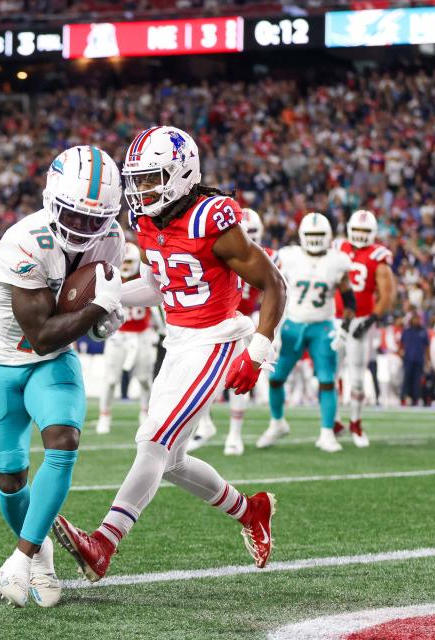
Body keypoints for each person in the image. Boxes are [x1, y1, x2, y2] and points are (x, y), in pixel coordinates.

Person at [51, 125, 286, 583]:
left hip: (218, 338)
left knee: (153, 442)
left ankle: (104, 543)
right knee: (172, 461)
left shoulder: (210, 218)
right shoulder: (147, 221)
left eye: (152, 179)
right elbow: (162, 286)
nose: (142, 191)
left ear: (182, 174)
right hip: (178, 342)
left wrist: (258, 351)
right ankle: (251, 511)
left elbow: (273, 283)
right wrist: (111, 298)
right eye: (136, 180)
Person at [0, 145, 125, 608]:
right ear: (51, 200)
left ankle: (23, 555)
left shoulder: (111, 238)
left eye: (94, 221)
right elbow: (39, 333)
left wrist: (100, 321)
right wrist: (99, 306)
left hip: (54, 361)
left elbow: (69, 330)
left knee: (63, 439)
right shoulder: (23, 239)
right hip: (0, 360)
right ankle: (41, 557)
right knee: (10, 480)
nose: (83, 229)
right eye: (73, 216)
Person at [256, 213, 356, 453]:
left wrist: (344, 329)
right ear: (301, 236)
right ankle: (277, 422)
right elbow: (272, 289)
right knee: (276, 378)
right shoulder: (289, 257)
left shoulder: (337, 260)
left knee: (327, 381)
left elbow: (349, 300)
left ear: (328, 237)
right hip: (293, 325)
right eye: (310, 235)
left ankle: (327, 433)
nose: (314, 240)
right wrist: (274, 331)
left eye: (319, 235)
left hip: (323, 326)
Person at [188, 207, 275, 455]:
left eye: (254, 232)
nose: (249, 237)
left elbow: (276, 294)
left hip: (248, 323)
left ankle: (234, 435)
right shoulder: (221, 251)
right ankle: (205, 425)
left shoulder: (268, 256)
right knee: (201, 377)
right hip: (219, 321)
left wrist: (268, 332)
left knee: (239, 378)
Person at [333, 209, 397, 446]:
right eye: (357, 230)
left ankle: (356, 423)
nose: (359, 234)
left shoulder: (378, 256)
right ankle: (334, 421)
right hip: (335, 318)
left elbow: (387, 294)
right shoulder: (337, 247)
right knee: (330, 373)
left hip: (360, 319)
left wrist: (371, 319)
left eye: (364, 231)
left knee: (357, 378)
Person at [96, 242, 158, 435]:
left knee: (145, 380)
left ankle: (145, 413)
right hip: (118, 336)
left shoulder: (144, 278)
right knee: (110, 380)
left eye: (130, 261)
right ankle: (104, 415)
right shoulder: (110, 279)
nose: (125, 265)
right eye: (123, 261)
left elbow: (157, 304)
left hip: (142, 335)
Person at [399, 314, 429, 406]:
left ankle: (415, 398)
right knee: (406, 379)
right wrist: (401, 354)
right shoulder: (407, 331)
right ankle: (404, 397)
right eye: (414, 319)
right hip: (408, 359)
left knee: (417, 380)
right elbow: (401, 344)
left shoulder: (423, 331)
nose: (416, 321)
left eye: (418, 319)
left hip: (419, 359)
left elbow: (427, 346)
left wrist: (428, 359)